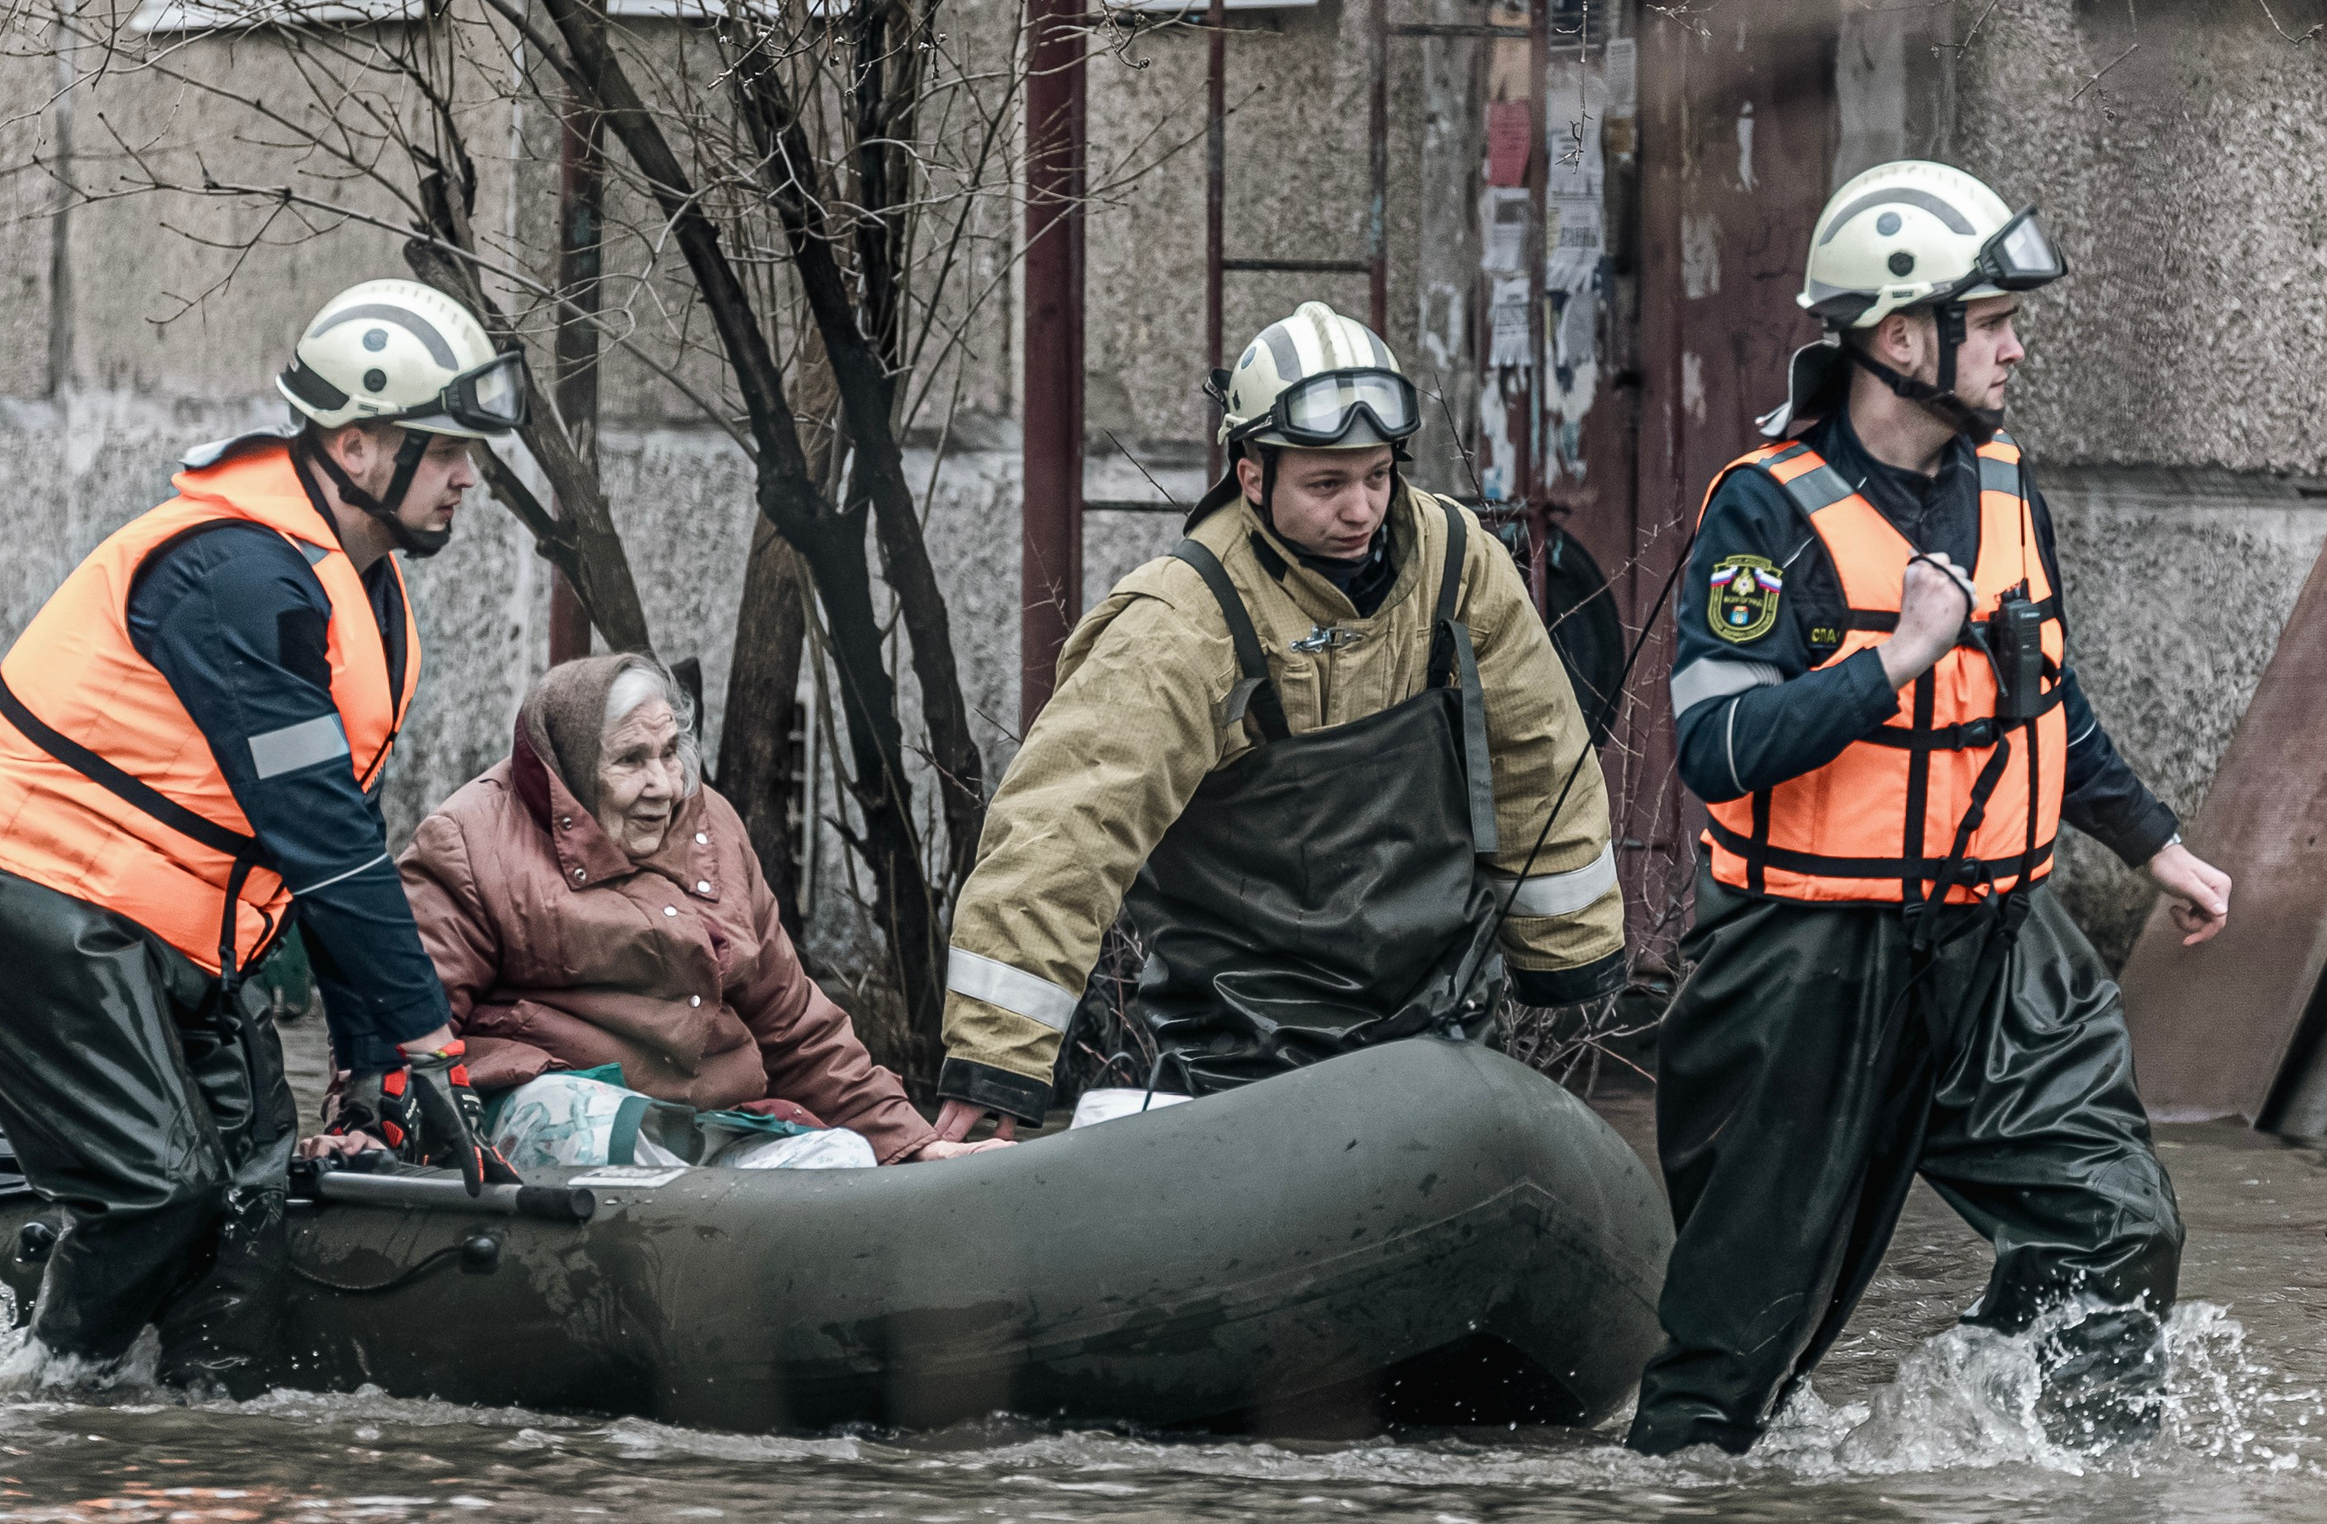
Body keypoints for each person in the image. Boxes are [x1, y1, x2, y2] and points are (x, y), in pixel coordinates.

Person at [1626, 162, 2231, 1456]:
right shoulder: (1764, 509)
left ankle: (2052, 1490)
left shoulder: (2004, 484)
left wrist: (2153, 842)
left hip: (1999, 946)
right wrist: (1895, 658)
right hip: (1811, 961)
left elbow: (2044, 699)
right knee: (1736, 1362)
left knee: (2118, 1227)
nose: (2016, 347)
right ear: (1901, 339)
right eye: (1994, 321)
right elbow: (1719, 749)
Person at [0, 278, 526, 1386]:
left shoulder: (361, 583)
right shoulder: (234, 576)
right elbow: (316, 829)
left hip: (171, 928)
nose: (466, 475)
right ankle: (32, 1406)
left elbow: (342, 831)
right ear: (356, 443)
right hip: (33, 895)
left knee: (254, 1192)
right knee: (160, 1192)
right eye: (444, 449)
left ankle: (208, 1423)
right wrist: (427, 1040)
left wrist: (374, 1060)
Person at [932, 301, 1628, 1146]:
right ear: (1252, 475)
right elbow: (1066, 826)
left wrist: (1570, 958)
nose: (1361, 508)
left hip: (1442, 1033)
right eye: (1326, 484)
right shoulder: (1185, 620)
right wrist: (998, 1058)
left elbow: (1539, 756)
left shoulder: (1458, 564)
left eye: (1378, 474)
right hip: (1241, 1055)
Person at [394, 653, 951, 1167]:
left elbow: (793, 1024)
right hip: (563, 1123)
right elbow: (408, 1013)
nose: (662, 785)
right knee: (585, 1123)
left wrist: (910, 1143)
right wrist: (372, 1132)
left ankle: (704, 1227)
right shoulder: (471, 840)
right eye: (631, 759)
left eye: (668, 753)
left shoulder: (714, 825)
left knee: (843, 1160)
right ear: (570, 767)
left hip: (706, 1128)